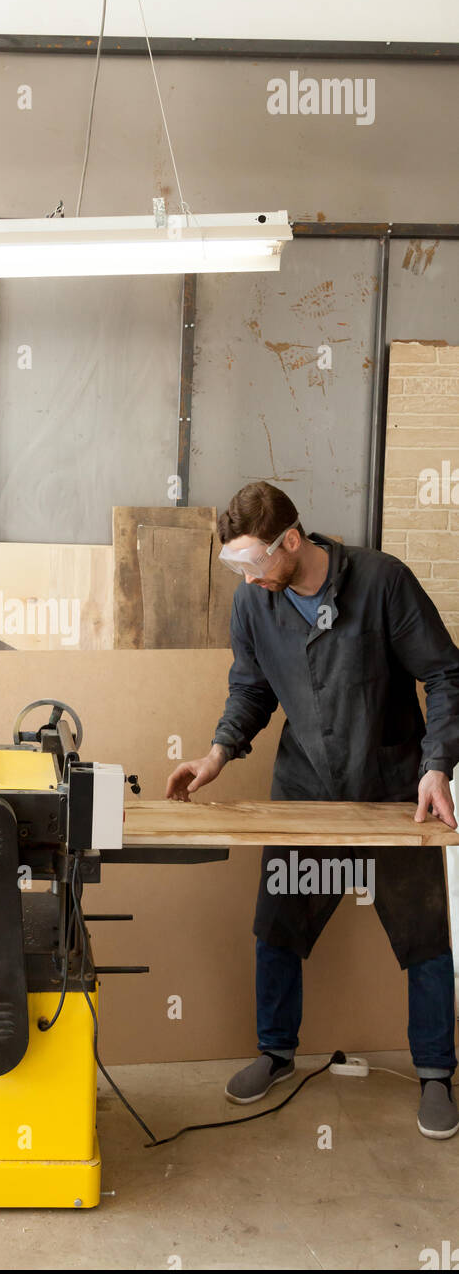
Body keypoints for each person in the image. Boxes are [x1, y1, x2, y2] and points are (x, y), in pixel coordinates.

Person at [166, 480, 459, 1138]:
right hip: (306, 789)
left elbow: (444, 674)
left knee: (425, 938)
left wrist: (437, 764)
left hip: (392, 793)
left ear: (290, 541)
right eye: (234, 566)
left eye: (252, 561)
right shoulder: (254, 603)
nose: (246, 577)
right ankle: (275, 1053)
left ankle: (438, 1073)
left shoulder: (383, 583)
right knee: (278, 927)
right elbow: (251, 687)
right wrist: (216, 755)